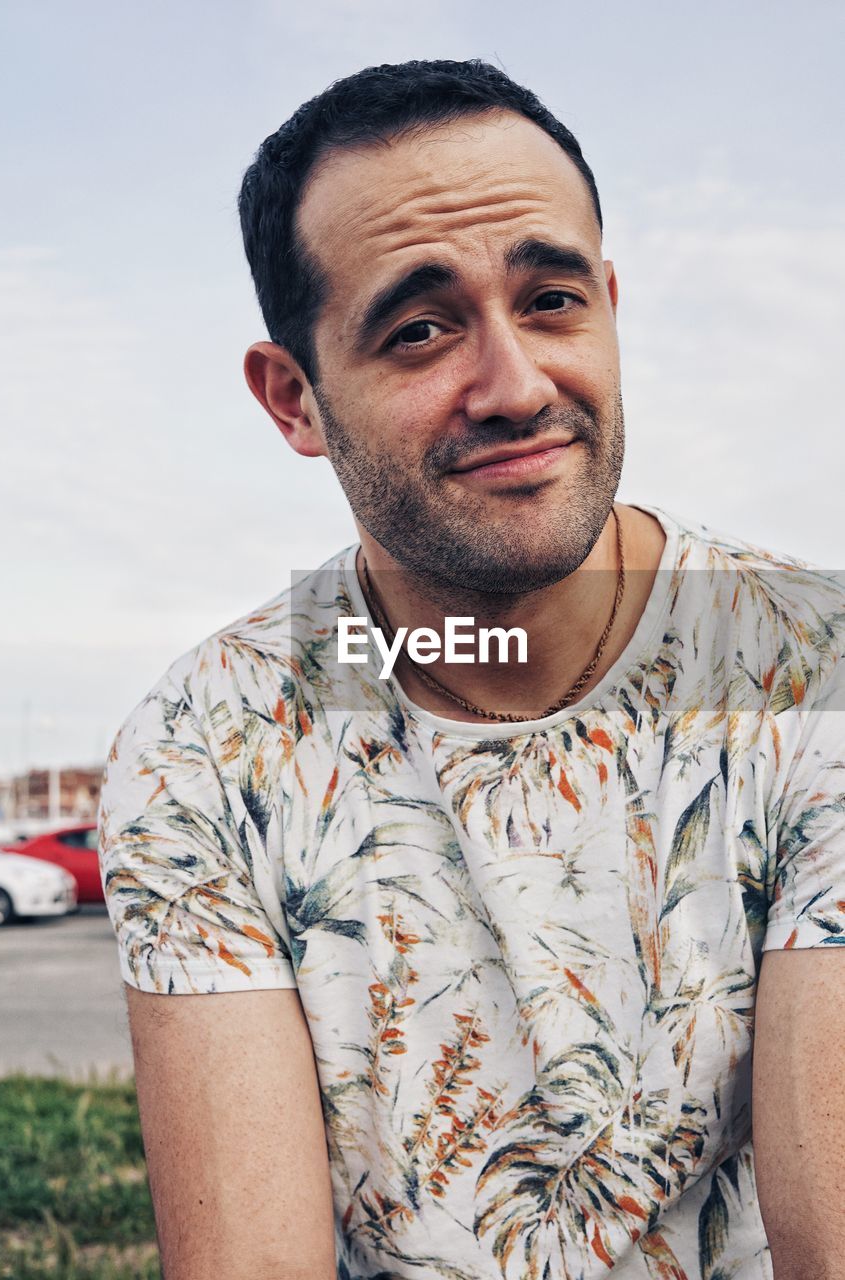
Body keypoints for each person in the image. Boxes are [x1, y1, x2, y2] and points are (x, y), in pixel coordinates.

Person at [98, 58, 845, 1280]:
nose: (514, 387)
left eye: (551, 300)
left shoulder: (810, 672)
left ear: (608, 305)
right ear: (295, 397)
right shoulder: (205, 748)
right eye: (420, 329)